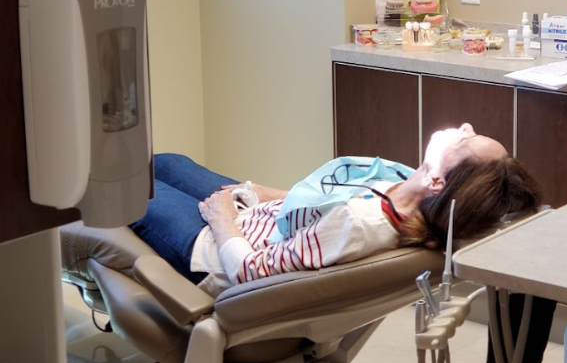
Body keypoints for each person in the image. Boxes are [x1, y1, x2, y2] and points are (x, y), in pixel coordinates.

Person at [130, 124, 543, 297]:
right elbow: (324, 205)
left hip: (219, 251)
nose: (465, 128)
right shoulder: (406, 189)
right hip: (264, 217)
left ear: (438, 180)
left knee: (127, 185)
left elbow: (250, 272)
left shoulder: (360, 227)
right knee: (165, 161)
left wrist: (223, 220)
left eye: (466, 142)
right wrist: (258, 193)